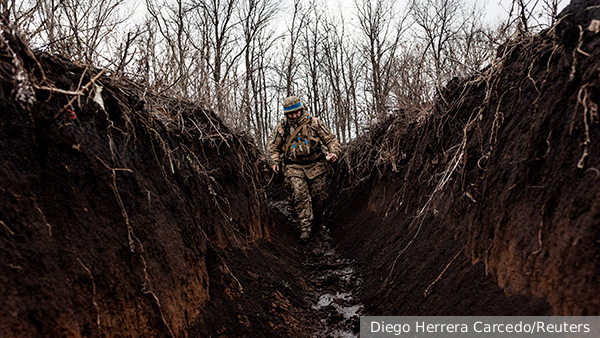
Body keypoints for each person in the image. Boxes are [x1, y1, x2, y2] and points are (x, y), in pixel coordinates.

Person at [267, 96, 341, 244]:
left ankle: (318, 222)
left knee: (319, 196)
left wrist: (334, 152)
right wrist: (274, 161)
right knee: (300, 195)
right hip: (294, 167)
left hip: (316, 166)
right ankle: (305, 228)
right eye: (290, 114)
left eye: (296, 112)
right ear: (286, 114)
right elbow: (273, 146)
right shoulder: (282, 127)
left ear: (302, 110)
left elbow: (330, 139)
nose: (294, 116)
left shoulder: (314, 122)